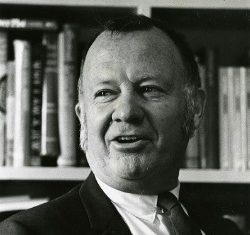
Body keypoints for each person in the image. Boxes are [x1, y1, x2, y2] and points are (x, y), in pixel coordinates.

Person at [0, 14, 243, 235]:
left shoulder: (225, 230)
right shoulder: (28, 232)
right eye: (105, 93)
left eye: (149, 89)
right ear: (82, 118)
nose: (126, 112)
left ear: (195, 109)